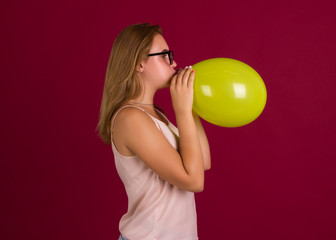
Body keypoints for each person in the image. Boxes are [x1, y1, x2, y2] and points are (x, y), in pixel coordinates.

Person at [97, 23, 211, 240]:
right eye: (165, 55)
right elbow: (194, 181)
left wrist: (191, 109)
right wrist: (183, 112)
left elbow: (203, 162)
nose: (174, 62)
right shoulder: (130, 118)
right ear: (139, 63)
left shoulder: (156, 116)